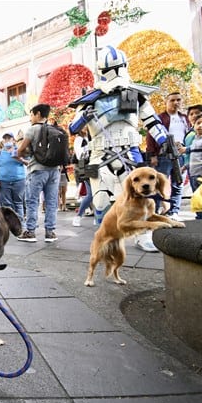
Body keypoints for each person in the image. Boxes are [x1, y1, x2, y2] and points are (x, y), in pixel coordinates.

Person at [68, 45, 170, 252]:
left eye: (118, 67)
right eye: (110, 69)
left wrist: (164, 140)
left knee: (139, 197)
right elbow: (73, 127)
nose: (114, 74)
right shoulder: (90, 100)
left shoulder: (136, 96)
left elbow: (152, 122)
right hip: (100, 155)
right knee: (101, 200)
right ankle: (107, 238)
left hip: (129, 154)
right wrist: (84, 117)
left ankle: (143, 236)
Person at [16, 104, 61, 243]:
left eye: (31, 115)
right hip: (54, 171)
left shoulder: (32, 129)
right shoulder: (54, 129)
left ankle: (30, 232)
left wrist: (25, 153)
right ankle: (50, 232)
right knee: (51, 202)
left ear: (38, 114)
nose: (30, 118)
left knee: (32, 201)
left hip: (37, 170)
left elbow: (20, 150)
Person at [146, 92, 190, 221]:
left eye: (178, 100)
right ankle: (157, 209)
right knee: (159, 183)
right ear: (166, 102)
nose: (176, 103)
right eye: (172, 100)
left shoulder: (184, 118)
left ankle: (174, 211)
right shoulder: (159, 118)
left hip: (180, 154)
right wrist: (152, 155)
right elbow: (150, 136)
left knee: (178, 183)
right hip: (163, 154)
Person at [0, 132, 27, 221]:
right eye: (5, 139)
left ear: (13, 140)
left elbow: (28, 163)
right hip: (4, 182)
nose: (7, 140)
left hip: (19, 181)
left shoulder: (20, 150)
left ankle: (20, 225)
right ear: (3, 141)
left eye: (9, 138)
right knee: (6, 205)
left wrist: (16, 156)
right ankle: (10, 225)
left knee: (18, 204)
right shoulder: (0, 153)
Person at [72, 126, 94, 227]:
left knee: (97, 193)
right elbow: (79, 155)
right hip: (86, 167)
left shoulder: (91, 136)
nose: (85, 127)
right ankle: (78, 216)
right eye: (83, 125)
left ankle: (98, 217)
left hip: (95, 165)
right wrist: (90, 146)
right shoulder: (79, 139)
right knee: (90, 194)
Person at [182, 104, 202, 171]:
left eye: (197, 113)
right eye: (191, 114)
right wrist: (185, 166)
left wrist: (185, 149)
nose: (194, 115)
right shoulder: (189, 132)